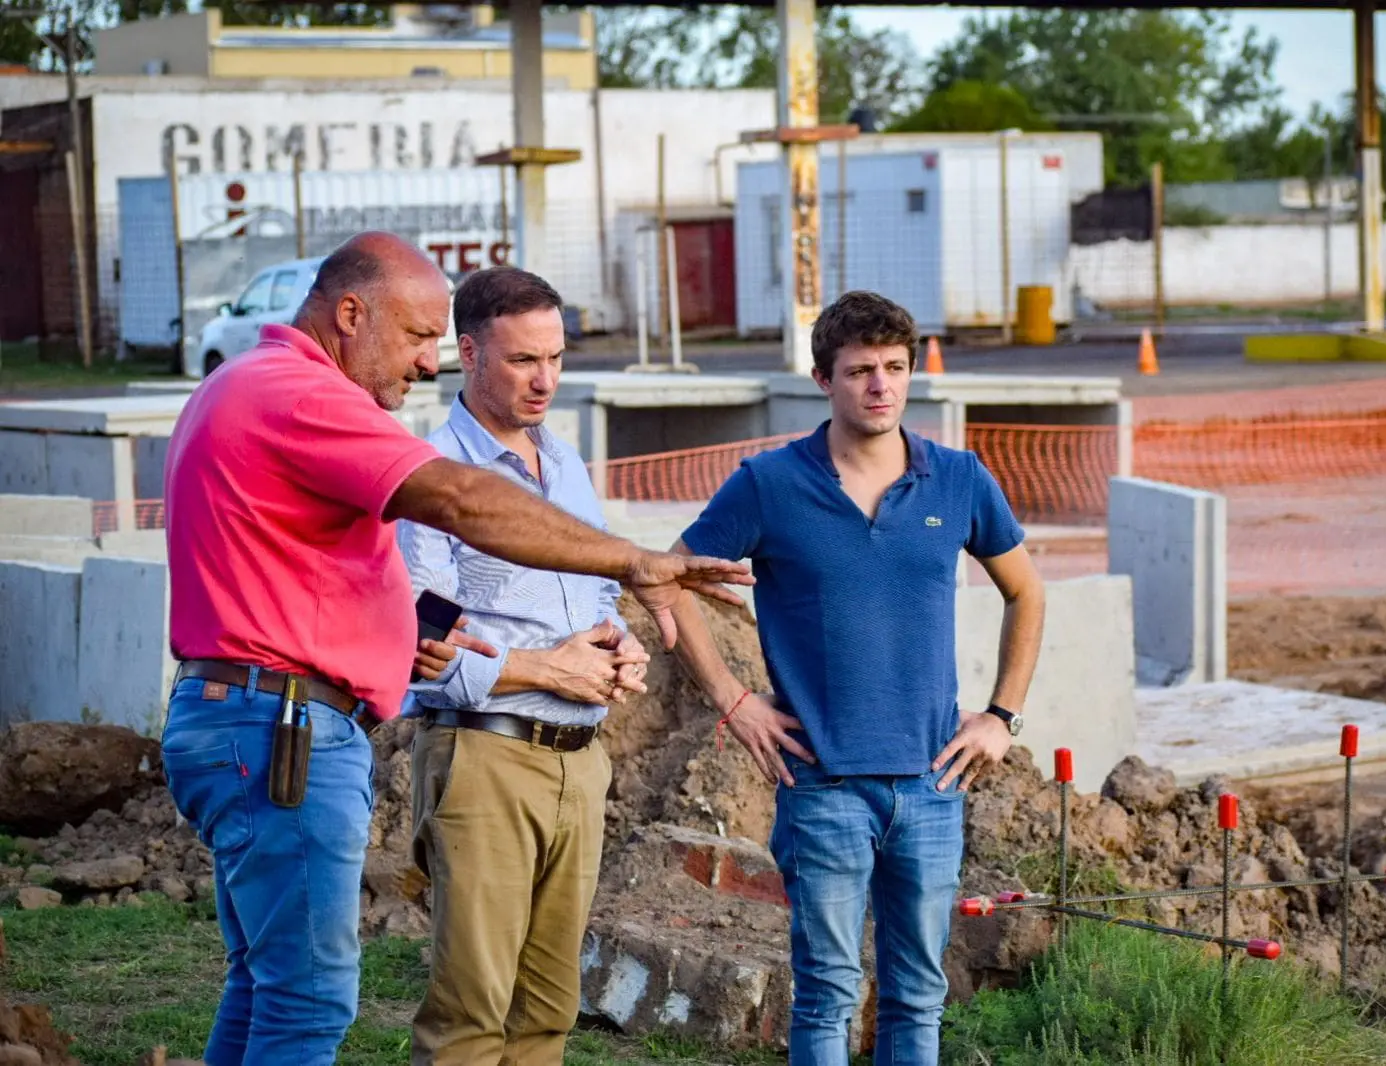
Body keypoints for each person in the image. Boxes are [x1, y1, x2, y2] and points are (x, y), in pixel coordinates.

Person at [159, 232, 751, 1066]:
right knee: (309, 1001)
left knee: (267, 987)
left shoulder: (247, 384)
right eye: (417, 336)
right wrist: (632, 557)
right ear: (351, 313)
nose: (427, 361)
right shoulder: (300, 392)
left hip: (256, 713)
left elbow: (304, 574)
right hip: (285, 725)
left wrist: (412, 635)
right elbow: (463, 501)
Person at [663, 291, 1045, 1065]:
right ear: (822, 379)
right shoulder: (769, 484)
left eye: (896, 369)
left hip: (933, 785)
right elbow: (666, 580)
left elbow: (1026, 591)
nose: (882, 386)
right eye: (861, 370)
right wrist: (733, 702)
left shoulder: (959, 479)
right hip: (823, 786)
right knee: (828, 993)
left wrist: (1002, 716)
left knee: (917, 996)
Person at [396, 266, 647, 1066]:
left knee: (547, 1008)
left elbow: (595, 596)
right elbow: (417, 640)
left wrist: (617, 641)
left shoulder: (566, 465)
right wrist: (547, 670)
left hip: (581, 760)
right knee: (472, 1010)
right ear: (466, 354)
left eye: (556, 358)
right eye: (522, 361)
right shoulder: (428, 473)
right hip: (484, 753)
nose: (545, 380)